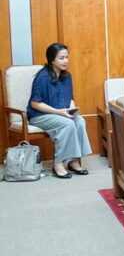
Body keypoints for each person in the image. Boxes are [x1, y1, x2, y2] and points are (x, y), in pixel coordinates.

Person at [27, 43, 92, 179]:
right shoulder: (42, 77)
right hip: (40, 115)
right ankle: (58, 163)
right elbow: (35, 103)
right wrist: (60, 113)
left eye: (67, 57)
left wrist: (71, 110)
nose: (66, 61)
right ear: (52, 60)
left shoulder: (67, 76)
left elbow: (70, 98)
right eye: (62, 58)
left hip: (61, 113)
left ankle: (74, 161)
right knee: (66, 124)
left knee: (79, 121)